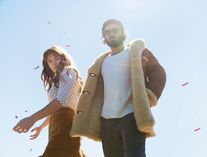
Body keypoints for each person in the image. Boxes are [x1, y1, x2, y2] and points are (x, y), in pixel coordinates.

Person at [70, 19, 166, 157]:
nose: (111, 34)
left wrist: (148, 97)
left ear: (122, 32)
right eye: (107, 32)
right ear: (104, 37)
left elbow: (159, 73)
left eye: (115, 30)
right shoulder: (101, 62)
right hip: (106, 122)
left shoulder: (137, 51)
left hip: (131, 117)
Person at [13, 46, 87, 157]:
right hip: (55, 124)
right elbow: (54, 109)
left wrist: (32, 118)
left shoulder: (69, 72)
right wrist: (41, 127)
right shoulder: (54, 83)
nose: (53, 63)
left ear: (64, 58)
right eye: (50, 61)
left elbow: (60, 102)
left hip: (67, 122)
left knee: (55, 153)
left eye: (56, 58)